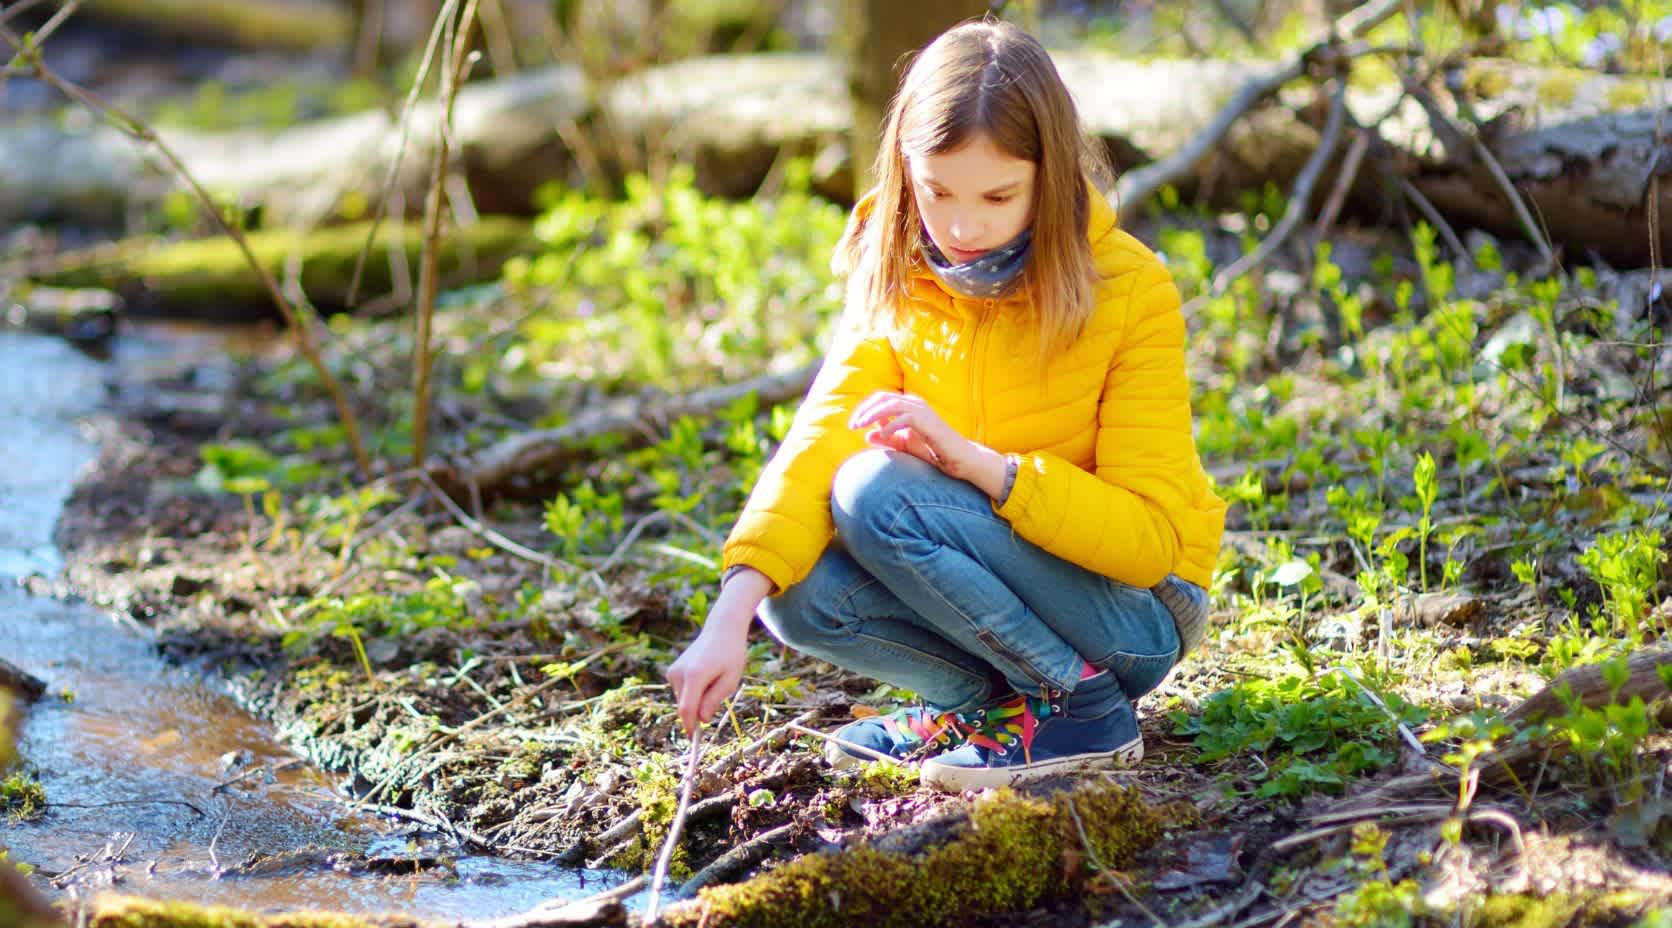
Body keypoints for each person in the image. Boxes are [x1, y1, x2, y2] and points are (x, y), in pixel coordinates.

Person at [666, 17, 1227, 791]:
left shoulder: (1127, 288)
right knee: (788, 594)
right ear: (905, 172)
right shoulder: (896, 269)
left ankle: (1080, 703)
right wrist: (726, 616)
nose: (962, 228)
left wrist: (979, 467)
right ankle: (991, 708)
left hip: (1134, 615)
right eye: (937, 192)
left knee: (876, 492)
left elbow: (1151, 544)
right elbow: (820, 436)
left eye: (999, 195)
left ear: (1050, 174)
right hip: (999, 570)